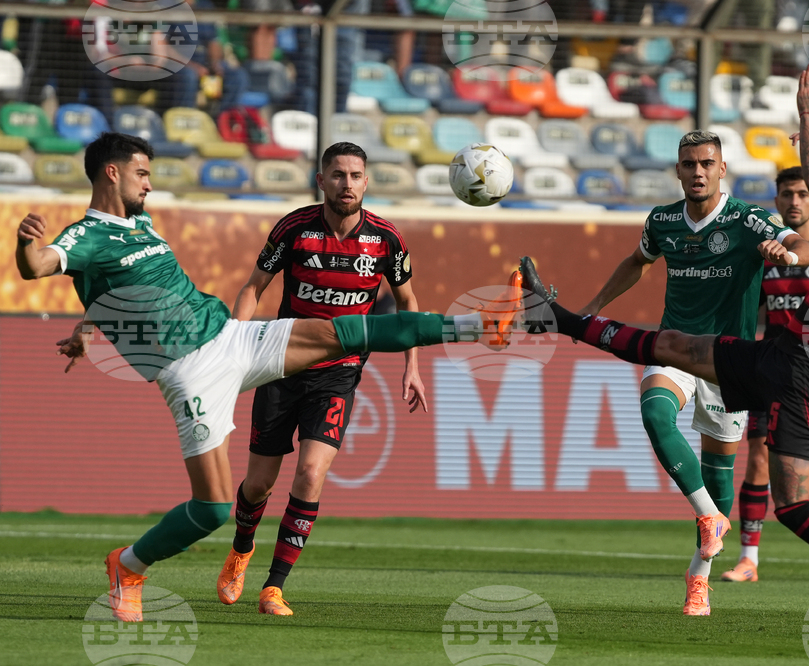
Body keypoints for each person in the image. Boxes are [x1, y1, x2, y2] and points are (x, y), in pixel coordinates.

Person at [15, 132, 521, 624]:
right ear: (112, 172)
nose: (148, 184)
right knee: (212, 509)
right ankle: (128, 566)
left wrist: (88, 324)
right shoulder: (86, 235)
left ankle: (481, 326)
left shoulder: (140, 223)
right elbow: (39, 266)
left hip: (232, 336)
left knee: (343, 333)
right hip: (189, 373)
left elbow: (118, 285)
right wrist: (26, 246)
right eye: (141, 173)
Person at [518, 62, 809, 654]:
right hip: (795, 359)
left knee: (793, 503)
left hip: (804, 370)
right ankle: (555, 318)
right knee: (675, 345)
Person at [579, 129, 809, 616]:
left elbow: (806, 247)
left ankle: (700, 576)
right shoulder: (663, 220)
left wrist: (788, 254)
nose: (697, 172)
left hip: (727, 360)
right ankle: (710, 519)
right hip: (673, 347)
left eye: (706, 163)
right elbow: (636, 262)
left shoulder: (749, 220)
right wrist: (591, 308)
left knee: (719, 472)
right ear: (678, 170)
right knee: (654, 413)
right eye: (689, 164)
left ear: (722, 169)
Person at [215, 142, 426, 615]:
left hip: (340, 374)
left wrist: (412, 365)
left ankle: (274, 587)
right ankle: (241, 549)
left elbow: (409, 303)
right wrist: (236, 342)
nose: (346, 183)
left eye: (355, 175)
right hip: (280, 366)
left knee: (311, 473)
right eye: (337, 175)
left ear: (366, 183)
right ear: (321, 180)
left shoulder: (386, 240)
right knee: (257, 486)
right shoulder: (294, 229)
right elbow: (253, 288)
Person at [720, 166, 809, 585]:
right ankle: (748, 560)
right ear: (776, 201)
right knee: (757, 461)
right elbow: (745, 307)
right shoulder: (767, 252)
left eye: (801, 194)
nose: (794, 202)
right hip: (771, 371)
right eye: (786, 195)